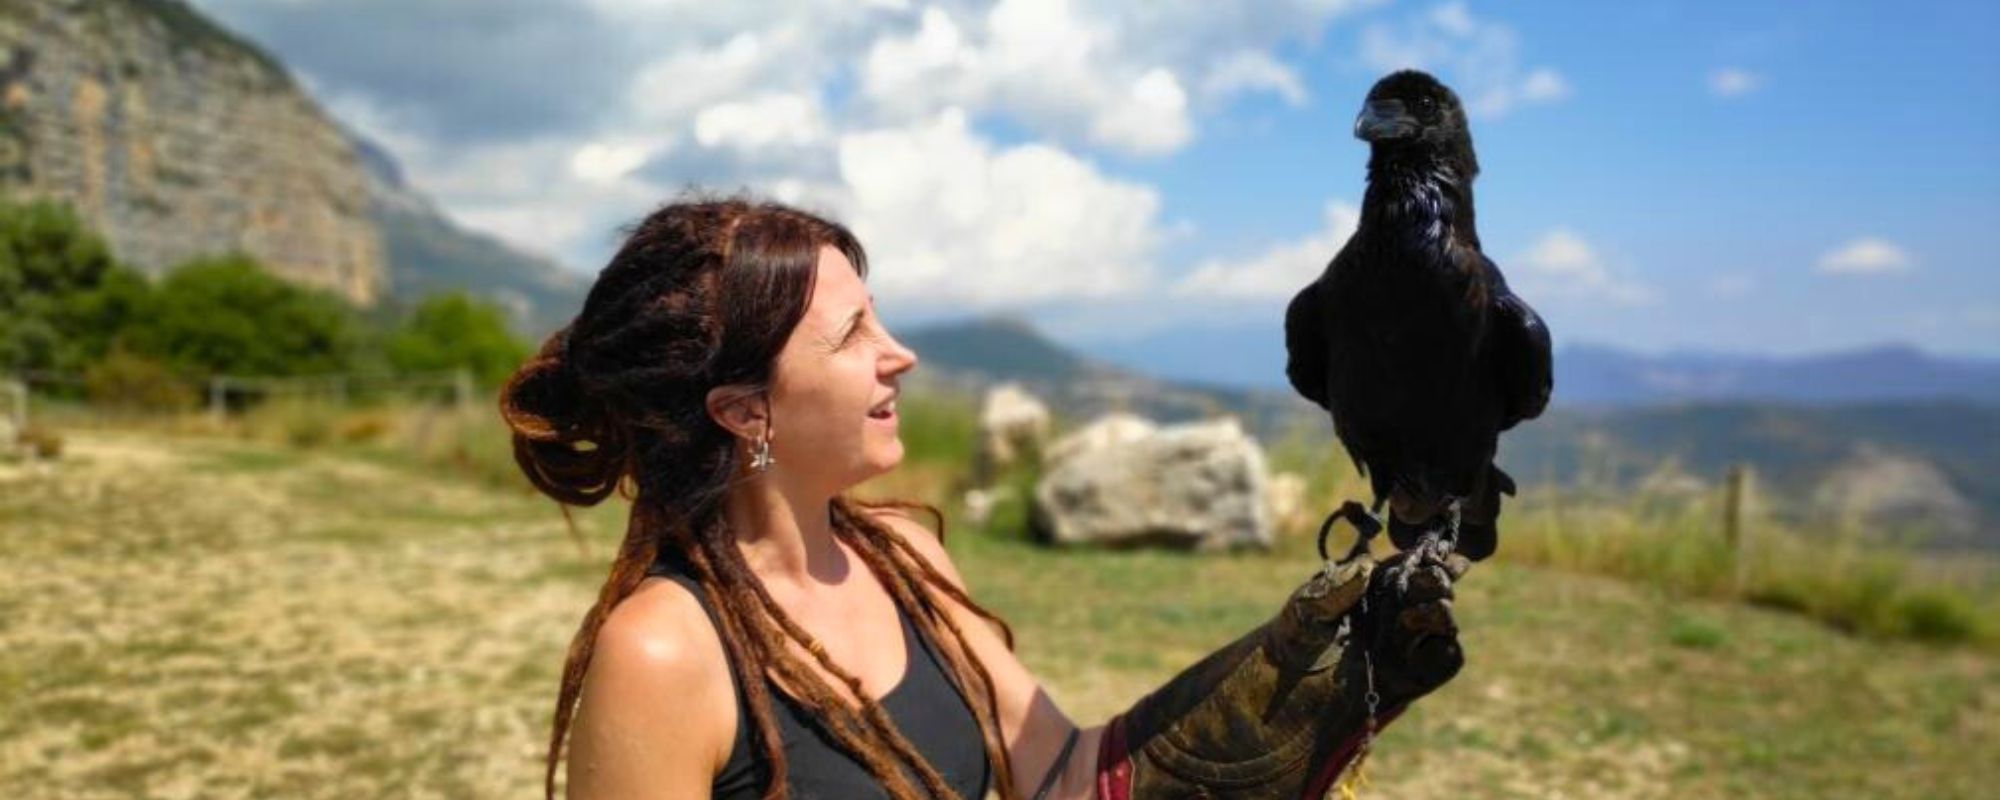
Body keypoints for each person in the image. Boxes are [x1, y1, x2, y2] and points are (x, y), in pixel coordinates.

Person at [500, 197, 1468, 800]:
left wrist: (1305, 678)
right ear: (745, 409)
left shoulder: (905, 561)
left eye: (878, 314)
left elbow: (1068, 776)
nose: (899, 353)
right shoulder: (664, 652)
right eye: (849, 336)